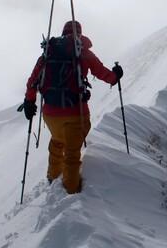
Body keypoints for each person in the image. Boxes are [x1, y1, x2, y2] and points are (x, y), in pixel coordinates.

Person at [23, 20, 123, 194]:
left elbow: (32, 82)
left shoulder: (47, 54)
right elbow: (103, 74)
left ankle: (52, 177)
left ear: (63, 33)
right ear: (80, 34)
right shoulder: (83, 52)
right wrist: (116, 75)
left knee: (57, 141)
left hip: (51, 114)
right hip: (76, 113)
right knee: (72, 152)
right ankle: (70, 191)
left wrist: (29, 102)